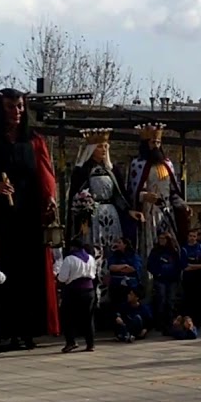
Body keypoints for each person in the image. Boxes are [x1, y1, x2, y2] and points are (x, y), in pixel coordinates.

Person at [0, 88, 60, 348]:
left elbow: (45, 174)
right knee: (5, 273)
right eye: (10, 106)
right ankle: (5, 331)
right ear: (0, 108)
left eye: (19, 106)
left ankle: (29, 330)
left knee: (31, 273)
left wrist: (49, 198)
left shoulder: (35, 140)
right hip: (2, 218)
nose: (16, 111)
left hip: (29, 216)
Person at [67, 128, 135, 309]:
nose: (104, 150)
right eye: (100, 147)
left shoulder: (112, 171)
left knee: (111, 252)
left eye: (106, 147)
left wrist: (129, 211)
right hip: (93, 218)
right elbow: (75, 195)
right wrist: (83, 211)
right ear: (91, 149)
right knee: (95, 253)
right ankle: (94, 298)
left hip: (111, 216)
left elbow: (120, 195)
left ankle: (113, 298)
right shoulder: (82, 171)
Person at [126, 123, 190, 257]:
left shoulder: (167, 164)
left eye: (158, 142)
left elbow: (173, 190)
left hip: (166, 211)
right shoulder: (137, 164)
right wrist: (144, 196)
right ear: (145, 143)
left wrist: (182, 204)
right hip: (148, 212)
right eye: (152, 142)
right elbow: (132, 191)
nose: (156, 145)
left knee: (170, 243)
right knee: (150, 245)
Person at [55, 239, 98, 353]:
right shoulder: (91, 258)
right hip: (89, 290)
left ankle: (71, 342)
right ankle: (90, 343)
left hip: (73, 291)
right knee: (88, 318)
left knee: (68, 317)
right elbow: (93, 274)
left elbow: (62, 278)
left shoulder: (69, 259)